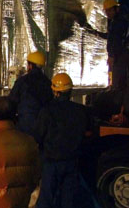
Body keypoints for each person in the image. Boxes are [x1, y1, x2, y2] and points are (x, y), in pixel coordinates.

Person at [34, 73, 90, 208]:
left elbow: (38, 135)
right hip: (72, 161)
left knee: (46, 198)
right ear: (70, 91)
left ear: (55, 91)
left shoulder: (47, 111)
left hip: (51, 161)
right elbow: (86, 133)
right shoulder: (80, 111)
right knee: (68, 199)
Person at [7, 51, 53, 136]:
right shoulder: (48, 82)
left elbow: (12, 101)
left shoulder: (23, 81)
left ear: (30, 66)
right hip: (44, 126)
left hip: (25, 125)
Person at [101, 0, 129, 90]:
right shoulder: (115, 22)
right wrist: (95, 33)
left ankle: (121, 102)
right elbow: (111, 37)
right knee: (121, 83)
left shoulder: (119, 22)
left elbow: (117, 40)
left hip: (121, 55)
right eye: (106, 11)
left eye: (110, 10)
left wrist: (111, 56)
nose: (108, 13)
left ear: (117, 9)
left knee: (120, 84)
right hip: (121, 54)